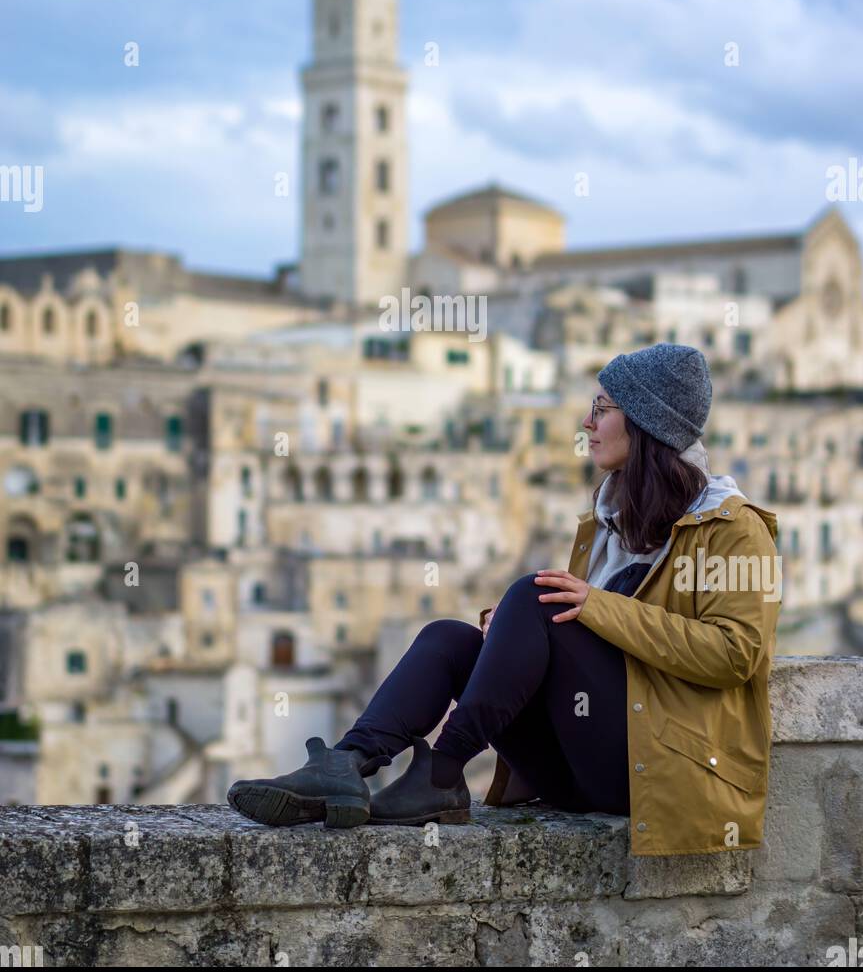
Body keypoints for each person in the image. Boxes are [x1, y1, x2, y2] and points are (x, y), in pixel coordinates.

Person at [227, 343, 780, 856]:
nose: (586, 423)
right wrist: (515, 634)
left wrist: (590, 607)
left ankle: (443, 772)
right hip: (572, 767)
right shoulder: (608, 520)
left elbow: (736, 654)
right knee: (450, 638)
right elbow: (585, 642)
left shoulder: (734, 529)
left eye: (602, 408)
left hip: (655, 773)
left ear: (646, 423)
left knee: (535, 596)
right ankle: (347, 763)